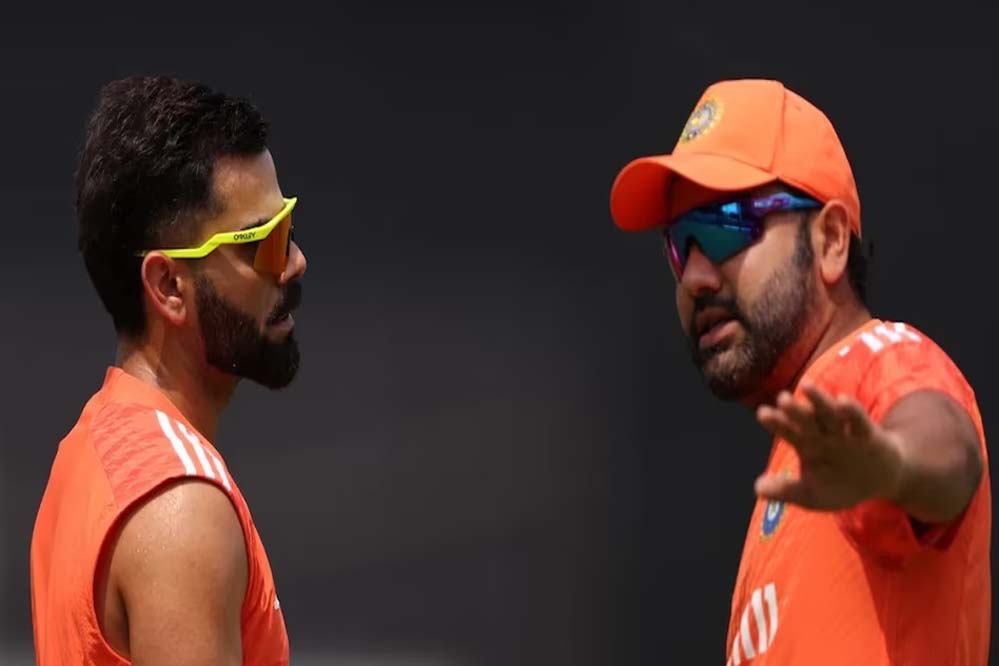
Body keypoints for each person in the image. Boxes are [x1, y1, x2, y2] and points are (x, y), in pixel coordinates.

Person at [609, 79, 990, 665]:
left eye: (725, 226)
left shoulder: (876, 361)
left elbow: (948, 449)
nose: (695, 278)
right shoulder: (800, 458)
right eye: (680, 246)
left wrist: (892, 464)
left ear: (831, 240)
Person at [31, 76, 307, 665]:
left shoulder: (87, 453)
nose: (295, 263)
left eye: (290, 226)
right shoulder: (180, 503)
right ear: (168, 286)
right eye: (267, 241)